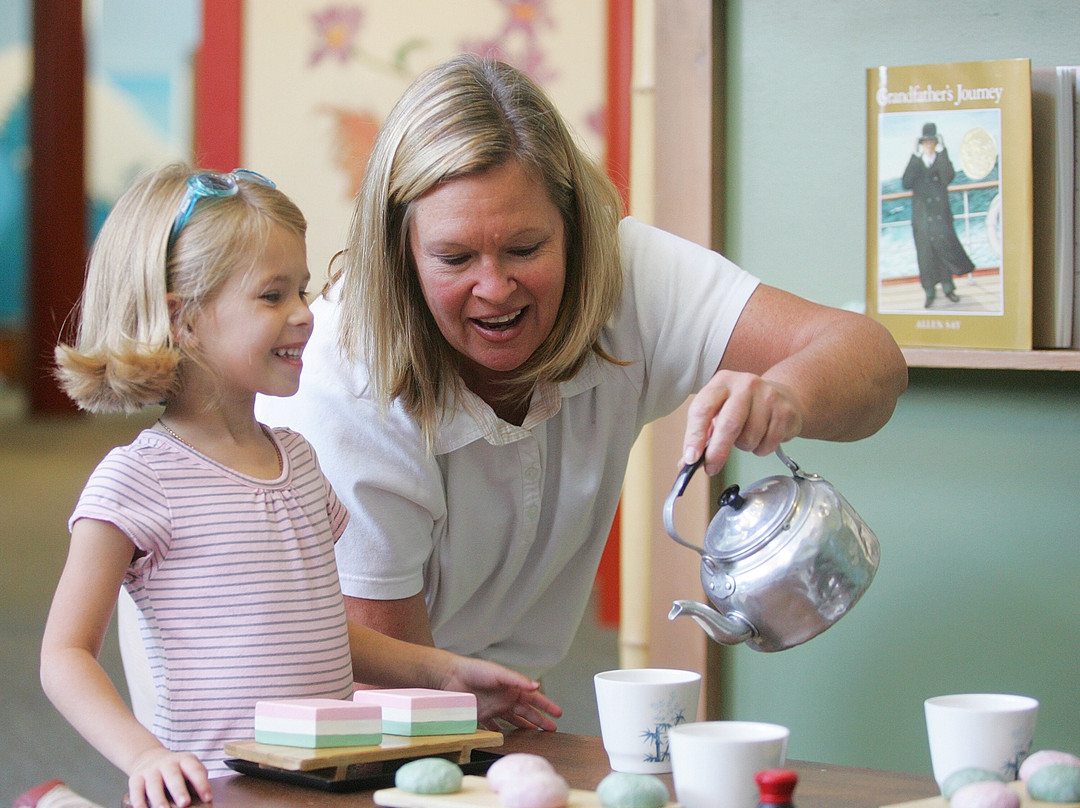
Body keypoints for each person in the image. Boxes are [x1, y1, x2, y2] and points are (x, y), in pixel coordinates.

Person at [256, 54, 908, 681]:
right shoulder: (341, 380)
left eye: (524, 247)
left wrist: (786, 393)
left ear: (573, 227)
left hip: (492, 700)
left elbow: (873, 363)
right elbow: (386, 693)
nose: (495, 287)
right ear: (402, 254)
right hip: (298, 724)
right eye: (455, 258)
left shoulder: (629, 275)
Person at [40, 163, 561, 808]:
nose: (304, 315)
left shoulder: (300, 461)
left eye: (303, 290)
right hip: (217, 792)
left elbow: (319, 628)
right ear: (185, 321)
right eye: (272, 295)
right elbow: (64, 654)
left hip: (319, 783)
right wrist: (143, 754)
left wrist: (444, 672)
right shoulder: (138, 480)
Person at [901, 121, 976, 308]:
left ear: (936, 143)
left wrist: (943, 152)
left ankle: (949, 289)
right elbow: (906, 182)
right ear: (921, 144)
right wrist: (914, 156)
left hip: (941, 217)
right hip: (922, 219)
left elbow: (948, 177)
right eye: (925, 143)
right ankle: (929, 292)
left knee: (945, 251)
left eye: (932, 142)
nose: (928, 146)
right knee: (925, 256)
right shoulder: (917, 163)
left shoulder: (941, 160)